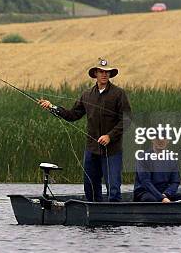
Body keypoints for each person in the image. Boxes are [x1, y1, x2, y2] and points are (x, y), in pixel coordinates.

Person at [38, 58, 131, 202]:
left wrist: (110, 136)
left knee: (113, 188)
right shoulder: (87, 94)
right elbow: (72, 115)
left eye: (107, 72)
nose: (104, 74)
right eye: (101, 72)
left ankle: (113, 221)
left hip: (112, 150)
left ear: (110, 74)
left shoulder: (119, 94)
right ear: (95, 74)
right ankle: (95, 218)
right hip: (92, 150)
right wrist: (52, 107)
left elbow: (127, 119)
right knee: (90, 187)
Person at [133, 138, 181, 202]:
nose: (161, 141)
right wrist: (161, 198)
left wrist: (166, 194)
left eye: (164, 138)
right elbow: (146, 182)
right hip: (145, 192)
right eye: (158, 138)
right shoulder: (143, 158)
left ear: (168, 141)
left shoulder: (172, 159)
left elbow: (175, 181)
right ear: (152, 140)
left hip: (164, 192)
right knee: (151, 200)